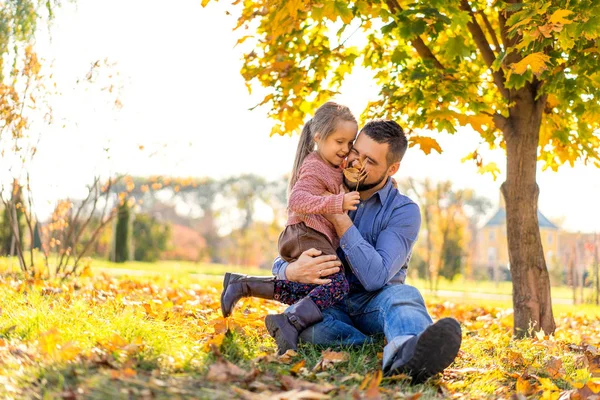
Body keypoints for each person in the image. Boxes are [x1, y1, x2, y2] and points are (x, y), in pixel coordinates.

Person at [271, 120, 462, 384]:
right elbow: (287, 251)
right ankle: (374, 344)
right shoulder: (324, 189)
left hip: (375, 302)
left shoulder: (403, 211)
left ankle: (408, 351)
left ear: (392, 168)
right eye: (355, 152)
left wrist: (341, 220)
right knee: (305, 323)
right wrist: (290, 269)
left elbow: (376, 277)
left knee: (404, 295)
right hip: (329, 303)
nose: (357, 164)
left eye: (370, 161)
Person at [220, 102, 361, 355]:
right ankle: (290, 322)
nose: (345, 149)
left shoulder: (332, 165)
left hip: (310, 233)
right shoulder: (314, 164)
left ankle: (243, 285)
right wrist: (338, 202)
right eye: (339, 141)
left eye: (350, 143)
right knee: (337, 284)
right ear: (319, 137)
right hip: (305, 232)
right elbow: (297, 200)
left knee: (314, 287)